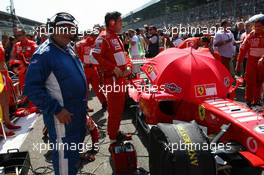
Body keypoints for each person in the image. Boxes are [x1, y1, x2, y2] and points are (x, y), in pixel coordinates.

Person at [25, 12, 88, 175]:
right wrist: (56, 109)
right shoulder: (43, 54)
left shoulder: (68, 48)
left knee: (72, 157)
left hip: (76, 115)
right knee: (64, 159)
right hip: (62, 119)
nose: (68, 32)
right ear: (52, 29)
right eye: (63, 28)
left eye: (71, 28)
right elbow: (32, 88)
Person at [92, 11, 132, 151]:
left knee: (119, 109)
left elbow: (124, 56)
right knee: (115, 110)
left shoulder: (116, 36)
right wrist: (113, 68)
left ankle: (115, 132)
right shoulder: (103, 37)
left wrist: (127, 66)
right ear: (112, 23)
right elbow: (94, 55)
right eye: (120, 21)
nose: (122, 23)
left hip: (120, 78)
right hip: (112, 80)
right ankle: (113, 140)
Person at [236, 15, 264, 107]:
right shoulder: (249, 36)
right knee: (249, 81)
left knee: (259, 82)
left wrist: (263, 58)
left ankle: (257, 100)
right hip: (251, 62)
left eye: (259, 26)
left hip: (262, 62)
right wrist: (238, 63)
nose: (257, 28)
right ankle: (248, 100)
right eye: (255, 26)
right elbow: (242, 50)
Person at [75, 32, 107, 110]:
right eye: (94, 36)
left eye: (97, 36)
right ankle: (84, 107)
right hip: (84, 70)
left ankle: (105, 103)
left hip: (93, 69)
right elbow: (75, 56)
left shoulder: (97, 43)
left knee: (97, 88)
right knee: (84, 89)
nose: (96, 38)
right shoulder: (79, 44)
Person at [0, 42, 21, 137]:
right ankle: (1, 127)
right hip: (1, 74)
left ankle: (7, 123)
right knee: (1, 103)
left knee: (5, 102)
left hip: (4, 73)